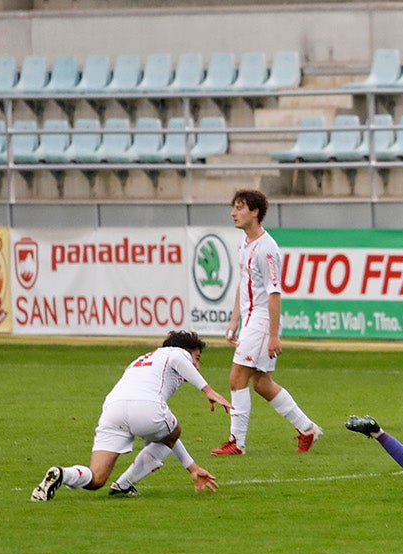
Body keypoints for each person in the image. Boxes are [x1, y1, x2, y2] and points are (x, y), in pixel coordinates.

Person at [31, 330, 231, 501]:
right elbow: (179, 358)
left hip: (113, 410)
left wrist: (192, 467)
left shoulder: (142, 360)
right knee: (174, 431)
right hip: (145, 407)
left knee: (97, 478)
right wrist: (207, 390)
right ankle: (124, 484)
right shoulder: (175, 352)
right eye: (197, 358)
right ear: (187, 351)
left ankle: (62, 474)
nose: (197, 366)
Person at [211, 189, 322, 456]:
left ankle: (237, 442)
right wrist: (233, 321)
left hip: (261, 321)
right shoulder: (245, 244)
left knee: (237, 377)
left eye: (239, 207)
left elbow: (274, 293)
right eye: (233, 207)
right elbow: (242, 284)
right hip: (250, 320)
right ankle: (307, 429)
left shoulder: (267, 248)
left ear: (255, 212)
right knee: (261, 383)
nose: (233, 213)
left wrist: (274, 335)